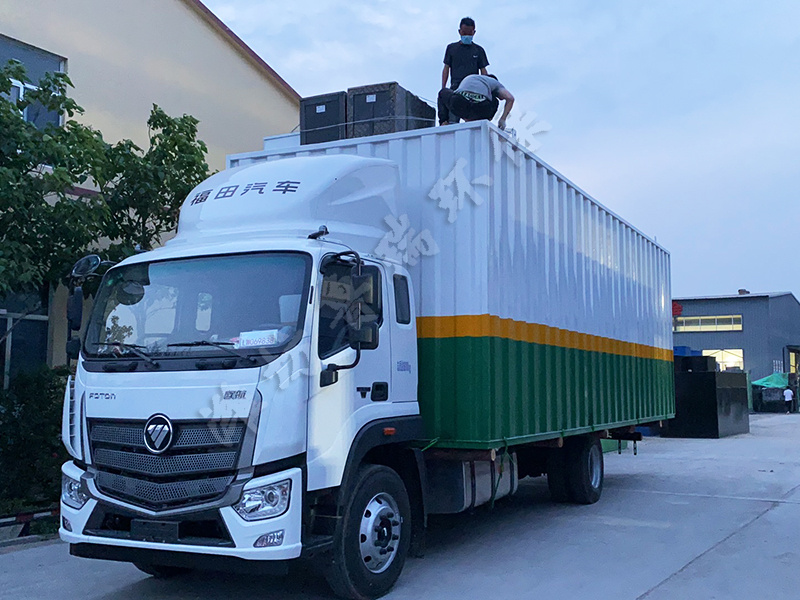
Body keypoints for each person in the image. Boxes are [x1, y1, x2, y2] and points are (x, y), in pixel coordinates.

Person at [440, 17, 489, 125]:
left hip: (473, 90)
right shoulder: (451, 48)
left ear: (474, 32)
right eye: (464, 32)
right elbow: (446, 68)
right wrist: (443, 86)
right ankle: (445, 123)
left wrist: (486, 89)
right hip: (456, 87)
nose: (467, 35)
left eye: (469, 33)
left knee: (474, 121)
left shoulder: (478, 50)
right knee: (452, 115)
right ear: (459, 32)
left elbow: (484, 71)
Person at [438, 74, 515, 130]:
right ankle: (483, 121)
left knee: (442, 92)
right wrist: (502, 120)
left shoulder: (472, 78)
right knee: (494, 101)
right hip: (480, 110)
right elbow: (510, 98)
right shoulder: (495, 83)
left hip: (460, 104)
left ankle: (444, 122)